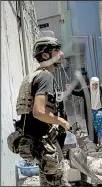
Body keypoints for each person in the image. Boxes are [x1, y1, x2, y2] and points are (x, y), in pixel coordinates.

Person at [15, 37, 70, 186]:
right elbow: (39, 112)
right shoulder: (45, 76)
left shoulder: (31, 76)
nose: (61, 53)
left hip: (39, 146)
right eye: (57, 50)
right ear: (45, 55)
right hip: (46, 145)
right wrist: (61, 121)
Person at [66, 77, 102, 148]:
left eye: (96, 85)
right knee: (92, 127)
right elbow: (77, 92)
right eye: (93, 85)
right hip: (90, 112)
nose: (95, 86)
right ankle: (95, 143)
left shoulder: (101, 89)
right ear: (91, 84)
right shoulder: (86, 90)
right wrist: (70, 89)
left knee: (101, 125)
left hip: (99, 110)